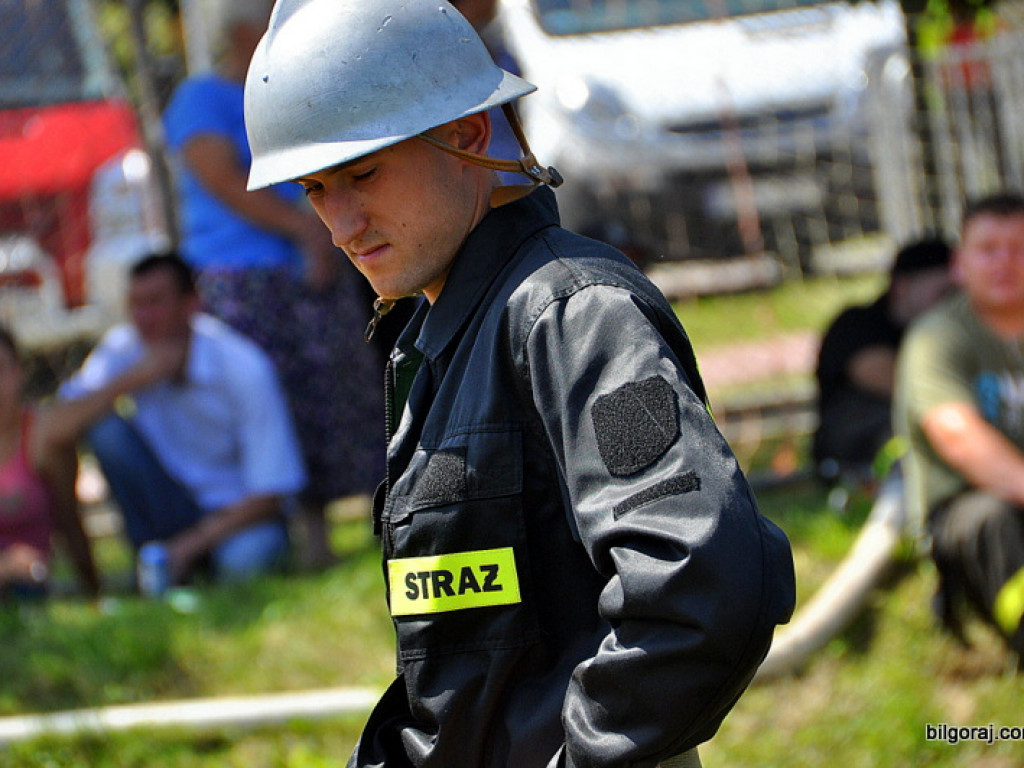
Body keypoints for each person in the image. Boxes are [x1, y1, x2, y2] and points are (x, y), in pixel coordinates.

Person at [243, 2, 796, 766]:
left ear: (468, 135)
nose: (341, 224)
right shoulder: (431, 345)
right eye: (313, 189)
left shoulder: (579, 318)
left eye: (362, 173)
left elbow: (698, 582)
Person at [163, 0, 384, 569]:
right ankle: (305, 539)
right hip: (242, 279)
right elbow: (223, 180)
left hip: (318, 257)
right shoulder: (203, 99)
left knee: (343, 385)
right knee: (274, 399)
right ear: (242, 31)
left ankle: (382, 518)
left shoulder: (300, 92)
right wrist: (303, 230)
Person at [48, 252, 306, 588]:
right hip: (168, 507)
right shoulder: (125, 348)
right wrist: (131, 381)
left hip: (238, 518)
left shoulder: (243, 367)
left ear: (191, 304)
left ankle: (174, 567)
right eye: (135, 304)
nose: (144, 317)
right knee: (104, 427)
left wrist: (190, 545)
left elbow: (272, 493)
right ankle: (153, 564)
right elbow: (54, 427)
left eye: (155, 302)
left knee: (243, 563)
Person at [895, 192, 1024, 666]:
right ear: (960, 264)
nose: (1005, 263)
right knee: (992, 519)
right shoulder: (937, 336)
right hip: (970, 516)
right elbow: (957, 435)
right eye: (989, 249)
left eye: (1019, 249)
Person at [813, 237, 953, 482]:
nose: (954, 302)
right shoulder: (858, 324)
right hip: (857, 451)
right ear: (902, 286)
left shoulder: (952, 328)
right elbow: (900, 384)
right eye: (944, 292)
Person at [0, 328, 99, 602]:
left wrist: (94, 594)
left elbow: (70, 522)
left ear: (19, 371)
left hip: (26, 584)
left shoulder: (43, 437)